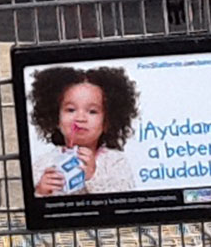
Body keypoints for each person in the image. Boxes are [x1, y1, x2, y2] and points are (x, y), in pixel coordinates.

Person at [29, 65, 139, 196]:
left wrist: (93, 176)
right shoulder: (44, 163)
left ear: (107, 122)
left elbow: (124, 202)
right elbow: (35, 209)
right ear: (55, 117)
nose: (80, 118)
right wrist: (41, 192)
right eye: (70, 110)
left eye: (92, 111)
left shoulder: (115, 162)